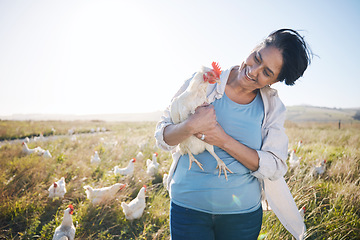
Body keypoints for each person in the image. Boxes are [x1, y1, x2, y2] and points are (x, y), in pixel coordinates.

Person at [155, 29, 312, 240]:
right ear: (255, 48)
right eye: (257, 58)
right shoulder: (204, 81)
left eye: (266, 72)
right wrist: (190, 125)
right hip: (187, 208)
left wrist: (223, 140)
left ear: (274, 82)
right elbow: (163, 138)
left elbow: (275, 166)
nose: (253, 70)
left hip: (241, 217)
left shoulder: (272, 108)